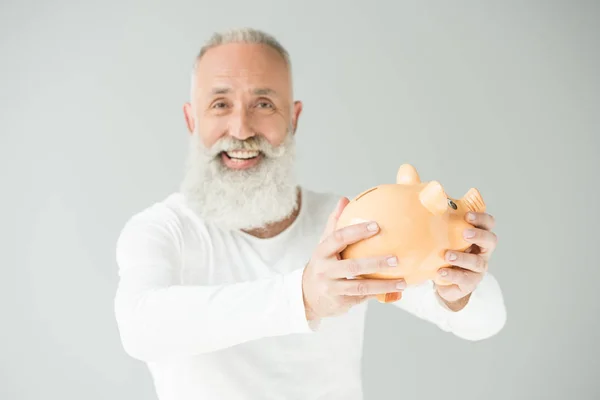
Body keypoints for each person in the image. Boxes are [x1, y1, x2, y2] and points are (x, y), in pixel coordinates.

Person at [114, 27, 506, 400]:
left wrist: (459, 290)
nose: (241, 127)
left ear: (294, 117)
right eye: (220, 104)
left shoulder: (347, 225)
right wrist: (303, 296)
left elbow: (486, 322)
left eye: (263, 104)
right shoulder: (162, 230)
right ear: (191, 120)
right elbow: (140, 328)